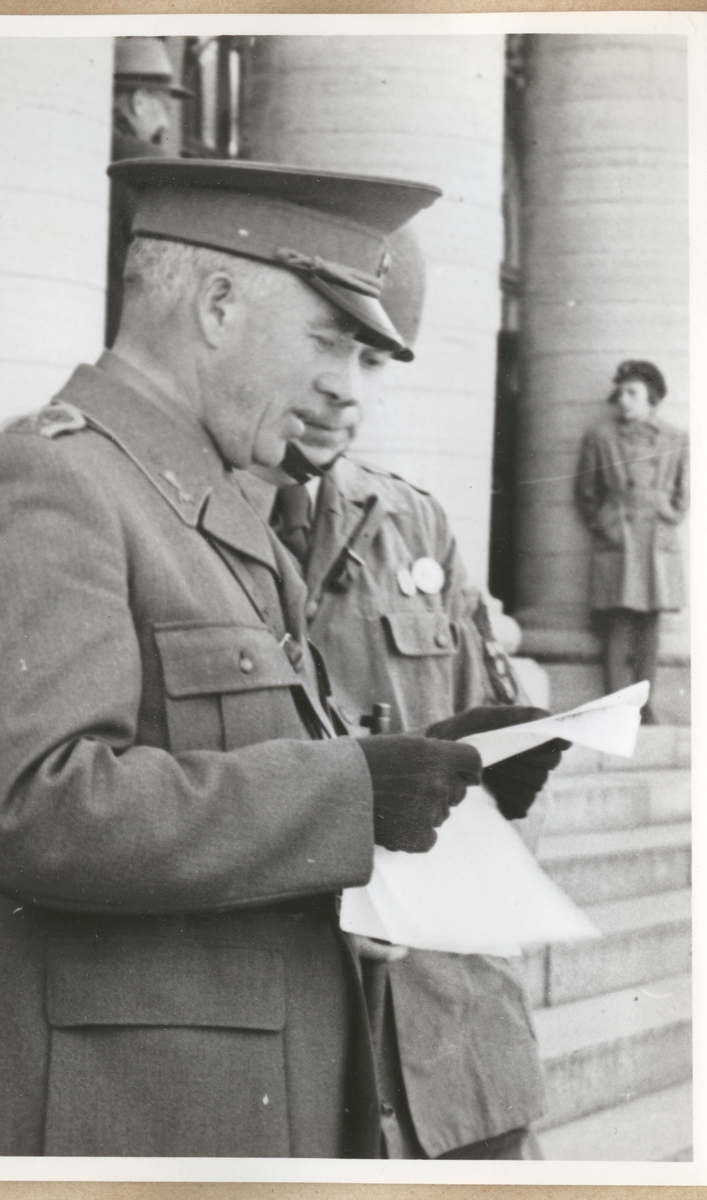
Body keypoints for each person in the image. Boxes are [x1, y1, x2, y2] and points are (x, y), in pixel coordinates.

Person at [0, 158, 493, 1158]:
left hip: (196, 1093)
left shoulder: (200, 506)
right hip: (101, 1109)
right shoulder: (47, 479)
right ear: (216, 304)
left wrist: (412, 780)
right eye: (327, 340)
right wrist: (352, 794)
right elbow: (36, 804)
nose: (346, 385)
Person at [246, 227, 568, 1160]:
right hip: (294, 1044)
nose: (348, 392)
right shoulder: (181, 525)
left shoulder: (413, 521)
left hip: (454, 1051)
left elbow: (506, 775)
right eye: (326, 346)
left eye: (376, 361)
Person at [575, 360, 689, 724]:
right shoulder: (601, 437)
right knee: (619, 621)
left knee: (650, 624)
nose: (623, 400)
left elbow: (684, 490)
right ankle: (615, 706)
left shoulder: (675, 438)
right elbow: (585, 491)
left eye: (632, 393)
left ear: (651, 397)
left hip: (657, 538)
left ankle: (645, 705)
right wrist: (604, 523)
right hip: (619, 536)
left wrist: (668, 512)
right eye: (620, 393)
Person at [105, 37, 193, 348]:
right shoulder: (148, 162)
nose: (166, 122)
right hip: (126, 339)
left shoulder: (85, 149)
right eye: (164, 107)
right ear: (139, 102)